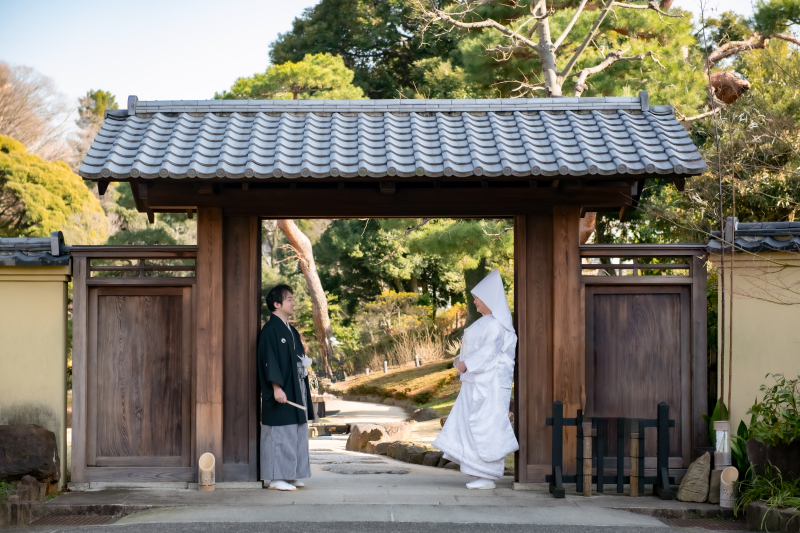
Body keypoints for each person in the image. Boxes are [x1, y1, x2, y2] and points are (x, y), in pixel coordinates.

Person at [433, 269, 519, 490]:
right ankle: (478, 471)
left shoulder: (496, 325)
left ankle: (487, 474)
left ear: (489, 299)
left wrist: (464, 364)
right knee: (470, 424)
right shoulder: (489, 322)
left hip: (488, 386)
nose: (475, 302)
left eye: (477, 298)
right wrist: (462, 362)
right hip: (476, 383)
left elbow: (488, 351)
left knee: (486, 425)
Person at [257, 284, 315, 491]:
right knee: (279, 432)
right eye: (289, 299)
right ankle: (276, 477)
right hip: (281, 388)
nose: (293, 302)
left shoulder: (291, 329)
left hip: (295, 385)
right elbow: (269, 360)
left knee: (295, 431)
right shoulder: (271, 329)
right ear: (276, 304)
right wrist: (276, 387)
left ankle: (290, 475)